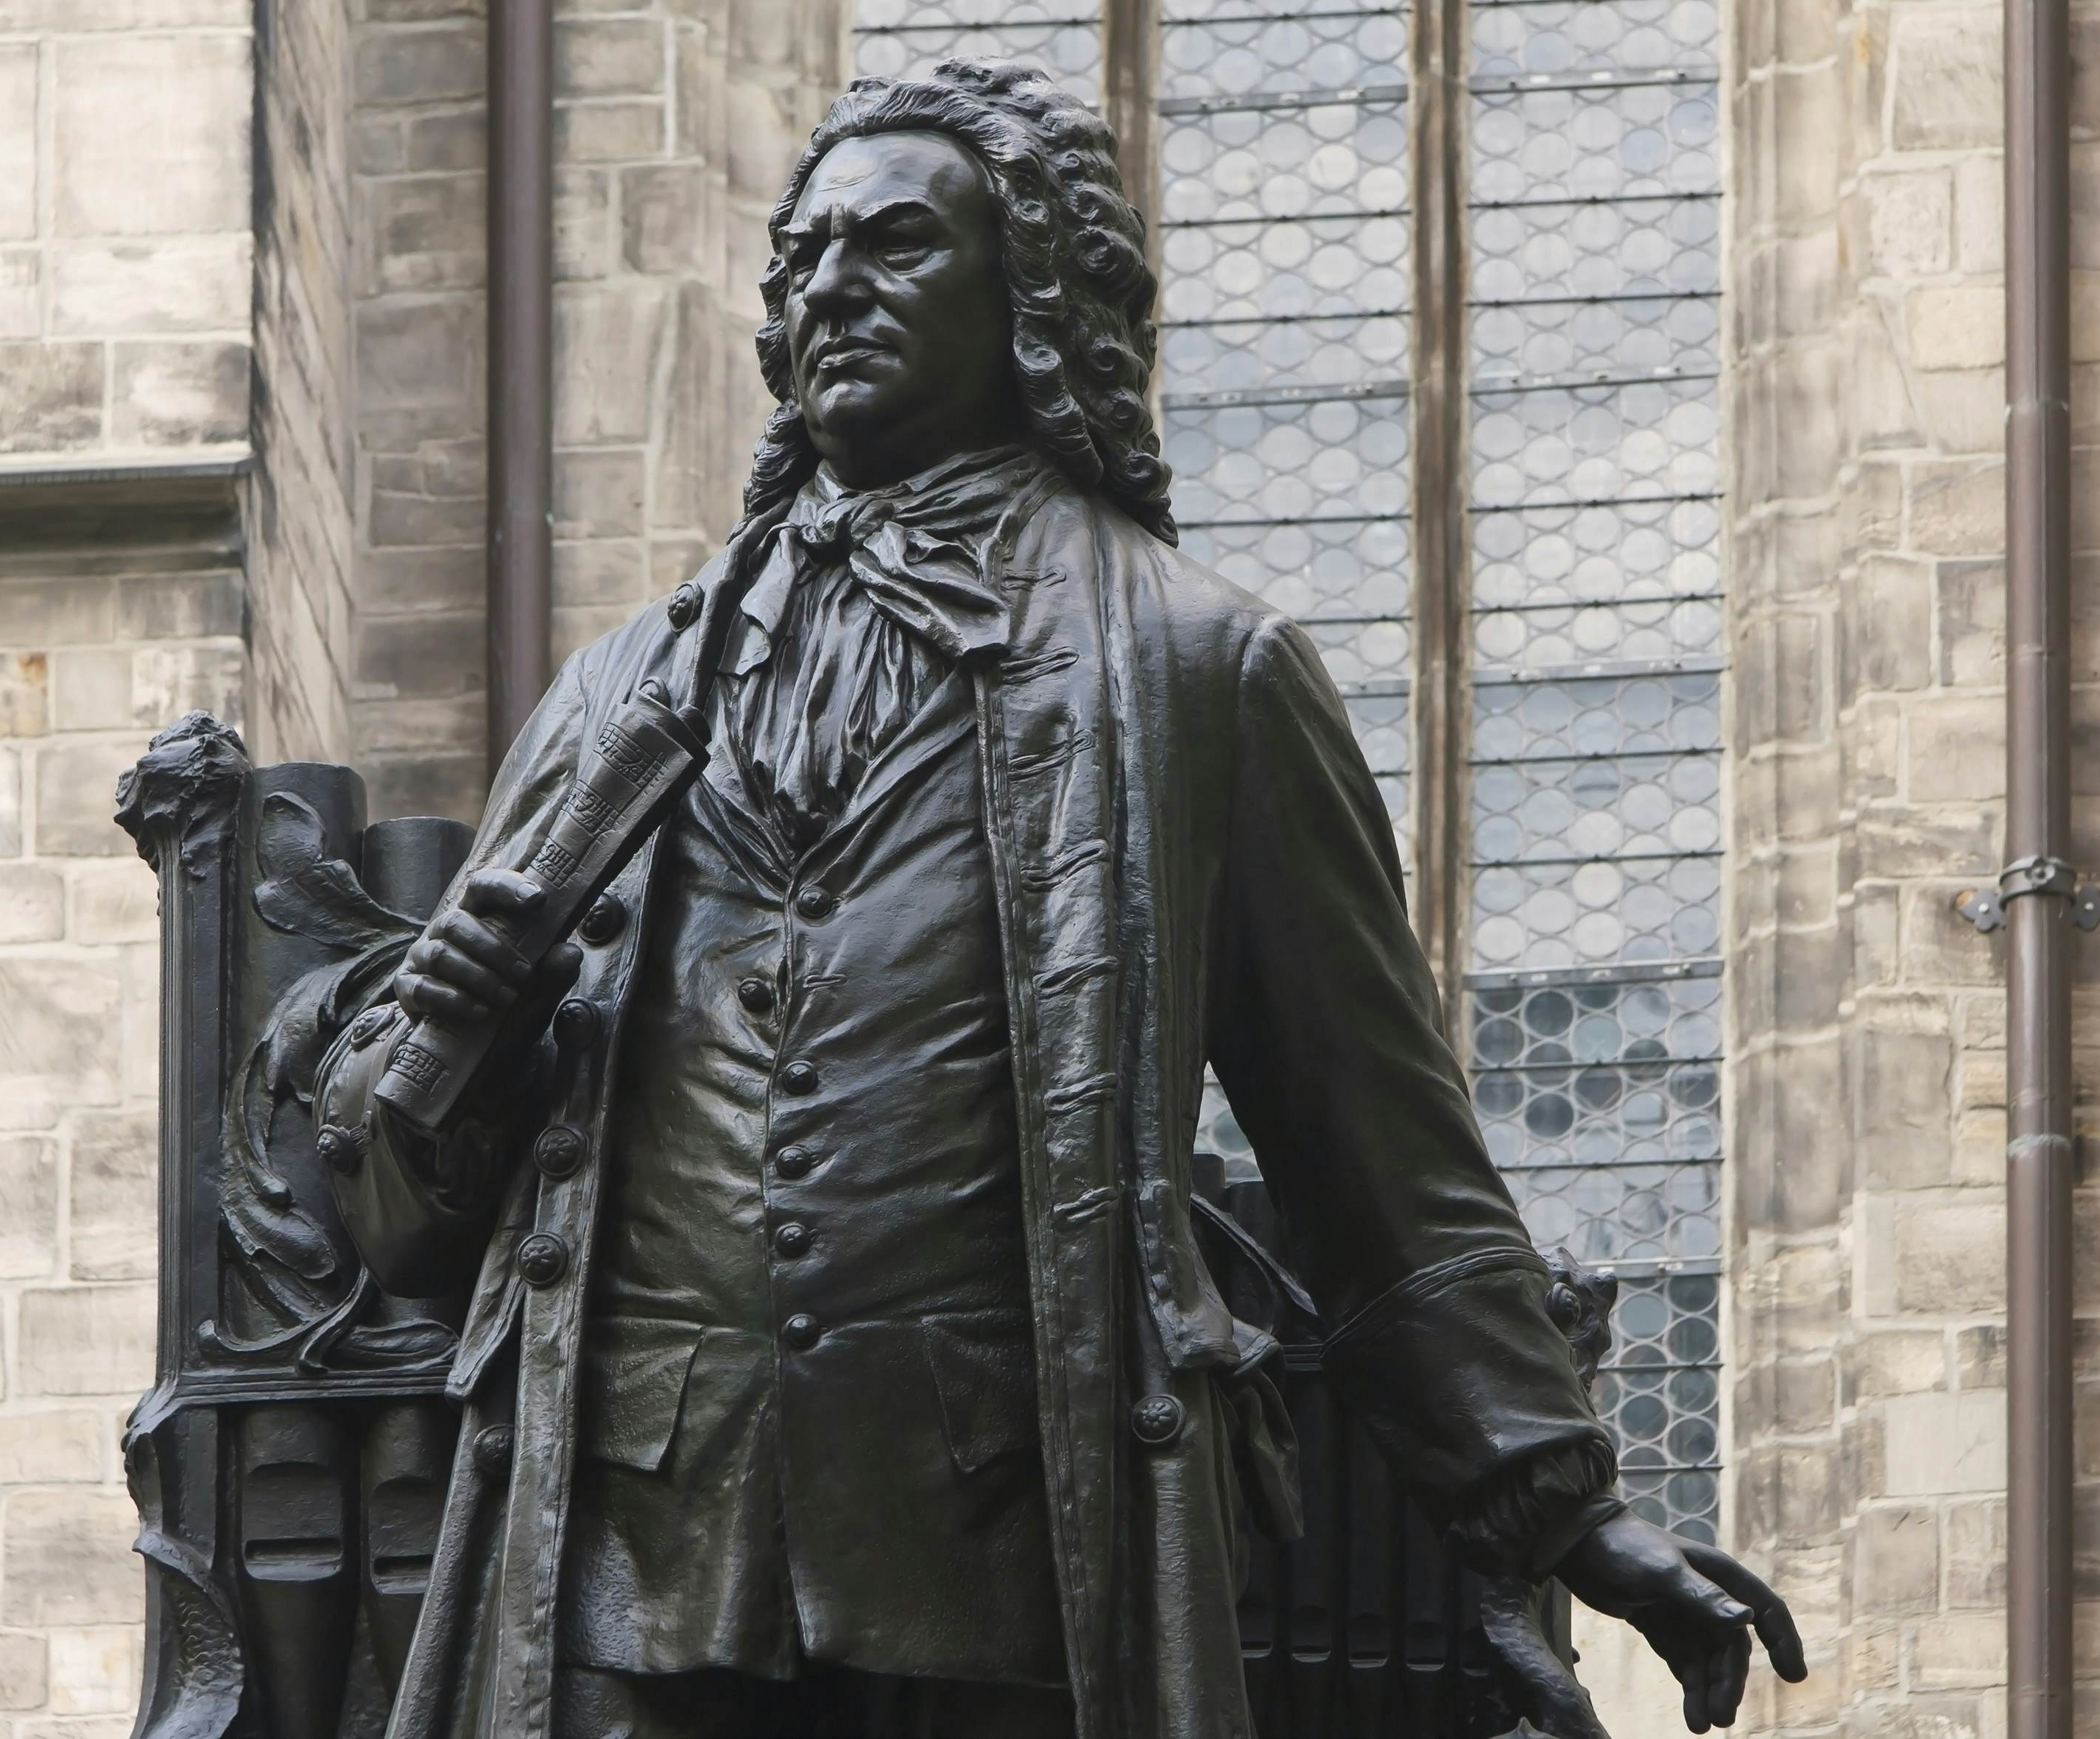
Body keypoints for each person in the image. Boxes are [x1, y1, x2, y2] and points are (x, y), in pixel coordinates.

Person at [314, 58, 1803, 1739]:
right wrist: (473, 976)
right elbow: (402, 1222)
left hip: (1006, 1554)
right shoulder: (618, 692)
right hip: (636, 1547)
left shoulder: (1193, 668)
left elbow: (1373, 1143)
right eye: (801, 259)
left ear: (1028, 296)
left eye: (892, 248)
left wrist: (1557, 1509)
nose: (830, 290)